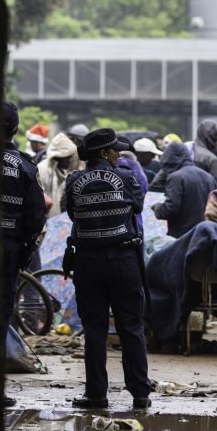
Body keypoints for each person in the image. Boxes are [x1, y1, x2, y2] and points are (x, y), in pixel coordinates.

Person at [65, 128, 151, 410]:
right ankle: (140, 394)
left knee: (95, 330)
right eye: (115, 150)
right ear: (104, 153)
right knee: (131, 328)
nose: (118, 154)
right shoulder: (126, 178)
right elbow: (137, 206)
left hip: (88, 264)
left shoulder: (74, 181)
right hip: (123, 262)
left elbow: (72, 213)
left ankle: (96, 394)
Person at [0, 102, 47, 407]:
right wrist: (24, 250)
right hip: (8, 249)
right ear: (15, 129)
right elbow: (36, 216)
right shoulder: (26, 165)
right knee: (1, 316)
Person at [152, 142, 217, 238]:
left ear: (168, 159)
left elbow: (171, 209)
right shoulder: (209, 177)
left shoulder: (176, 177)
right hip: (206, 234)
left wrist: (157, 208)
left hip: (183, 236)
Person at [193, 119, 217, 185]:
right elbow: (215, 191)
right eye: (216, 137)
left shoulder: (186, 151)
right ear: (209, 137)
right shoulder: (212, 160)